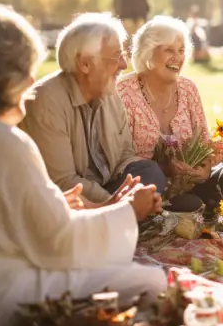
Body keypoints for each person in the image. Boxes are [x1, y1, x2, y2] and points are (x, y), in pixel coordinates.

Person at [0, 1, 166, 326]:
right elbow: (59, 247)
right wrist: (125, 212)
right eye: (25, 68)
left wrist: (62, 206)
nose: (33, 80)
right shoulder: (5, 140)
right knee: (150, 280)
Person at [21, 13, 166, 205]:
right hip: (66, 201)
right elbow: (63, 182)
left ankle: (131, 218)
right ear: (85, 63)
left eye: (123, 55)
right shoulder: (46, 101)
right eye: (116, 56)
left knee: (149, 173)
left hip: (106, 187)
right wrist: (116, 205)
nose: (124, 64)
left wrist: (133, 191)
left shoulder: (108, 91)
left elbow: (125, 155)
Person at [117, 15, 223, 213]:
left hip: (188, 183)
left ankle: (192, 207)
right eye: (169, 50)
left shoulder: (188, 89)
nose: (178, 57)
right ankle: (170, 210)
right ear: (148, 53)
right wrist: (165, 169)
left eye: (181, 51)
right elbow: (119, 158)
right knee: (154, 177)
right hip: (145, 184)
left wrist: (205, 166)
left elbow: (205, 140)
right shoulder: (124, 91)